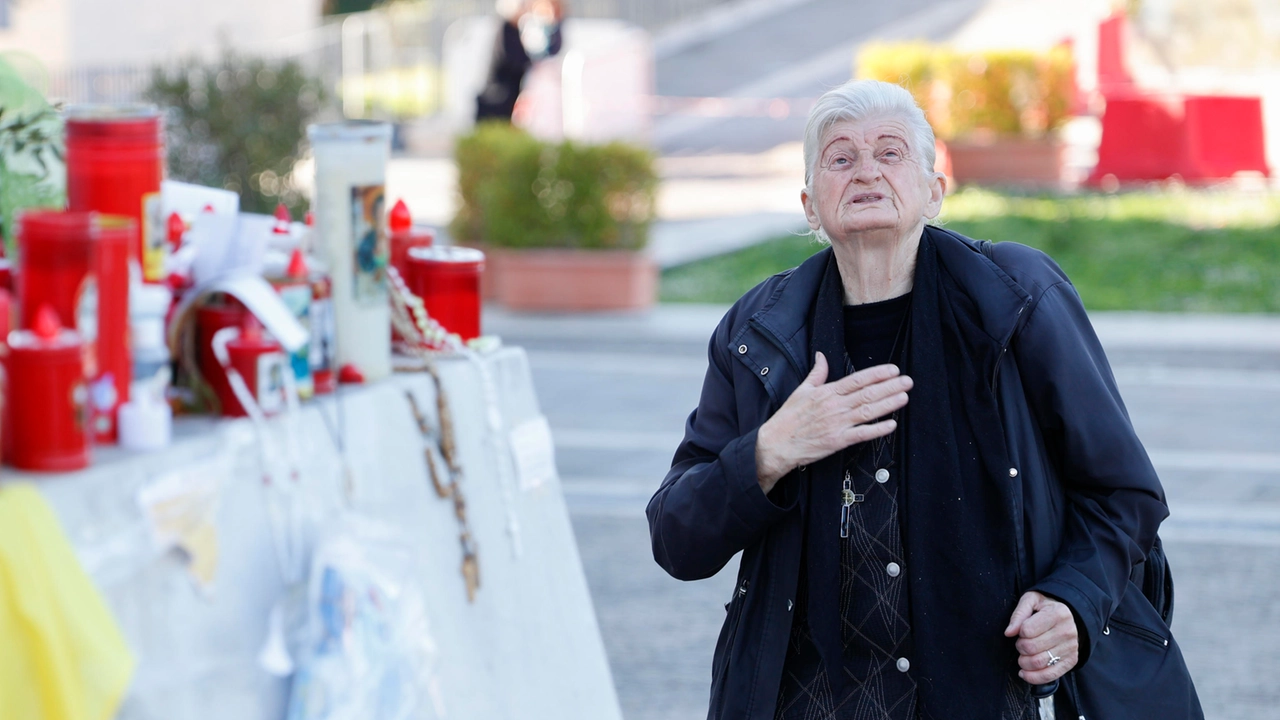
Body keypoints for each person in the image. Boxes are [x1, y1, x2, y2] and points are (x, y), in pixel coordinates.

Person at [646, 79, 1202, 720]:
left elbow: (1124, 493)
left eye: (890, 153)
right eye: (841, 158)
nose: (866, 173)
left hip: (990, 696)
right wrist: (771, 451)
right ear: (809, 204)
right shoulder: (758, 333)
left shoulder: (1016, 299)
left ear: (935, 191)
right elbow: (675, 539)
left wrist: (1074, 599)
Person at [475, 0, 564, 123]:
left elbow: (553, 52)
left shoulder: (544, 27)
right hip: (502, 97)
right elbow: (514, 60)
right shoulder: (508, 28)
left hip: (534, 95)